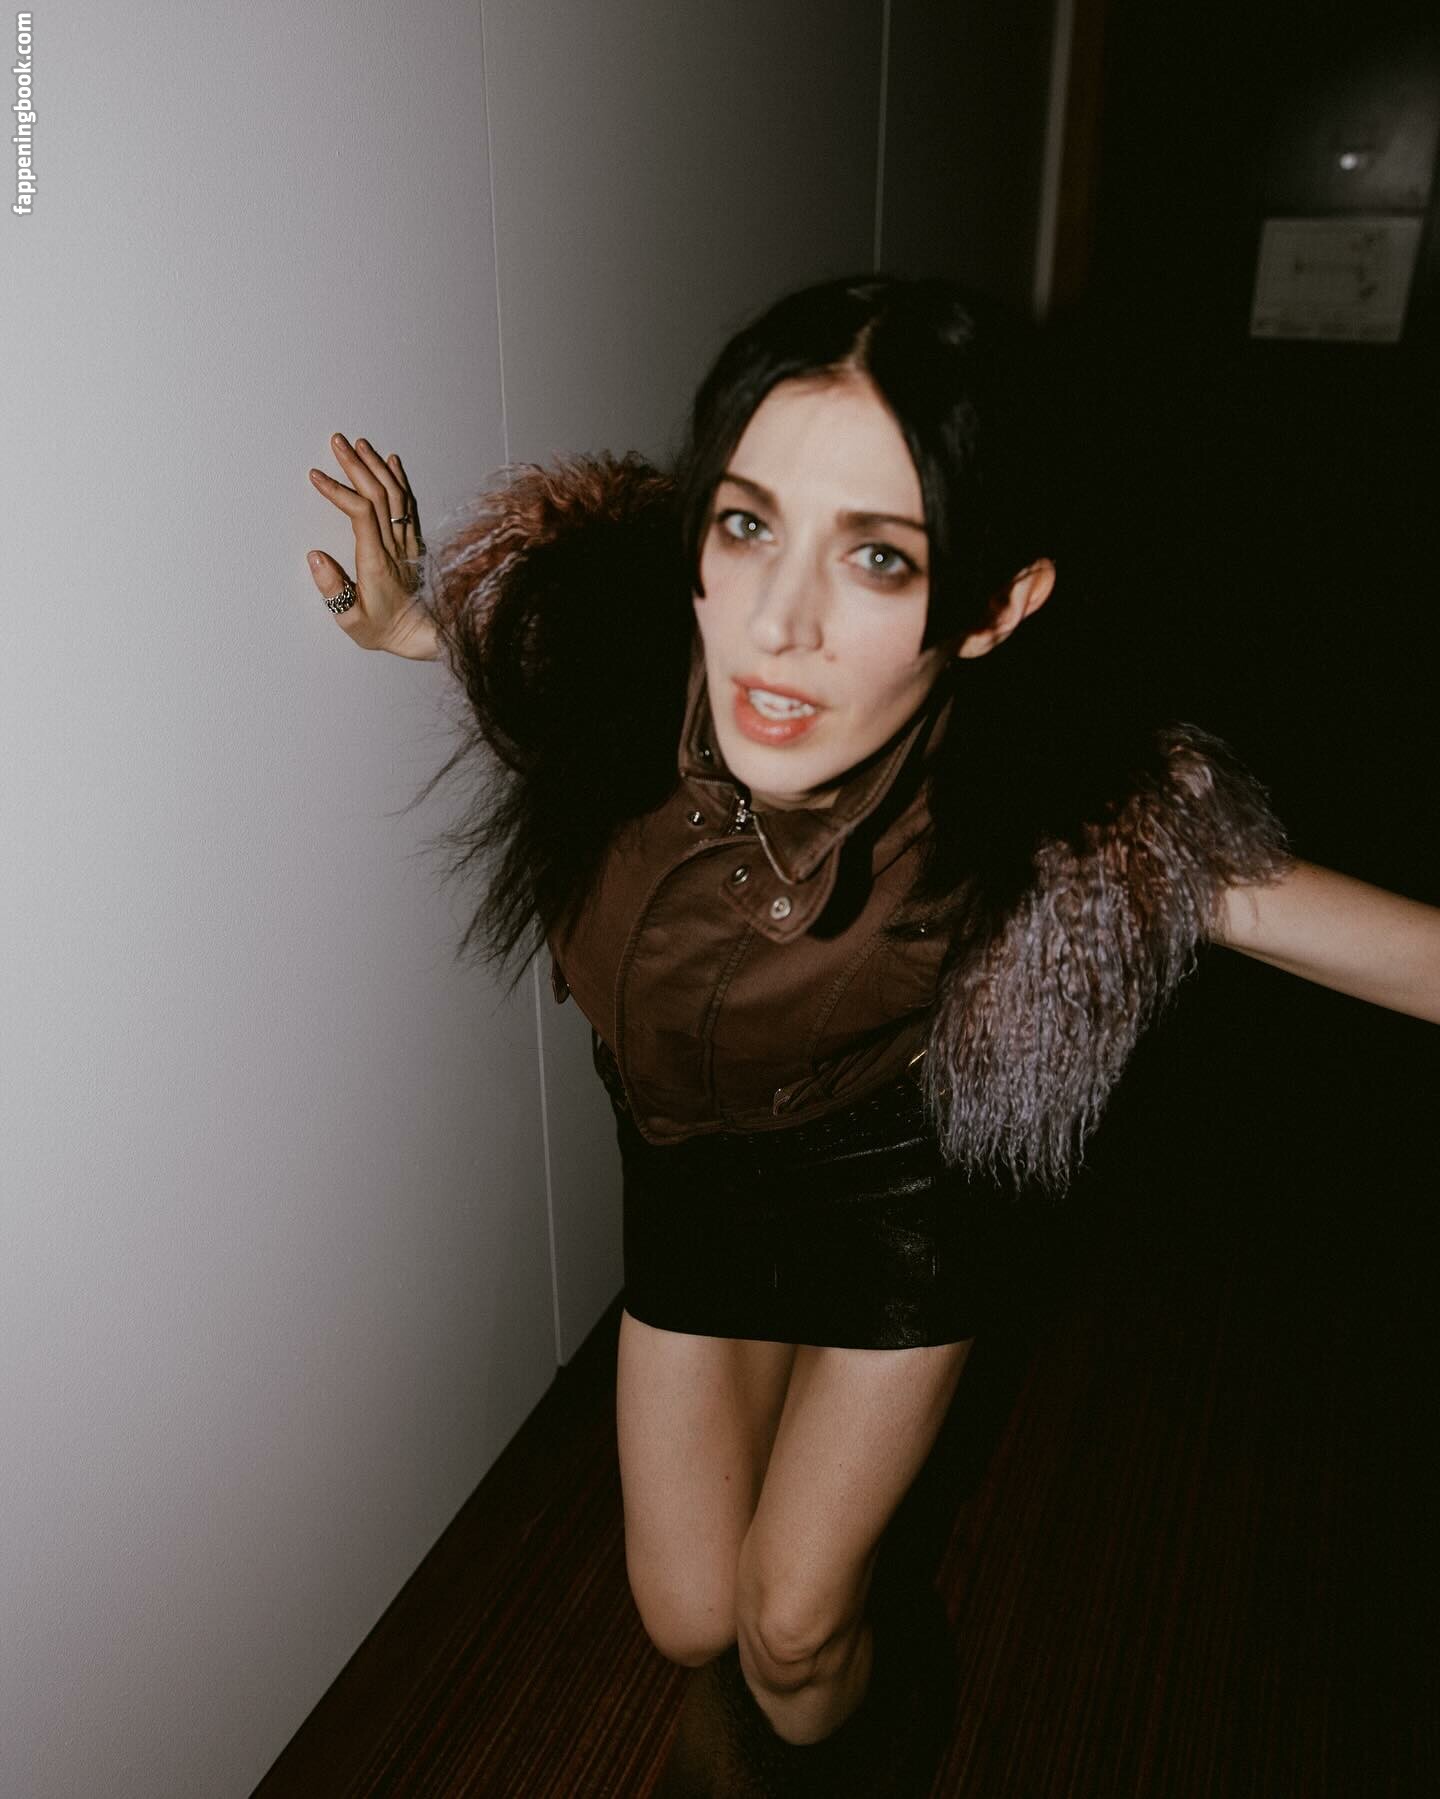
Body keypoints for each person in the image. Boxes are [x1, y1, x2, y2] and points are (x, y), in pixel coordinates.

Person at [305, 274, 1440, 1797]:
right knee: (688, 1615)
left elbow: (1393, 948)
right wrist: (408, 622)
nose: (779, 630)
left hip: (891, 1182)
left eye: (881, 556)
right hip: (692, 1166)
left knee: (789, 1629)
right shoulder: (618, 654)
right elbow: (521, 645)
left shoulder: (1058, 812)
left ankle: (866, 1751)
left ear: (997, 604)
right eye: (749, 525)